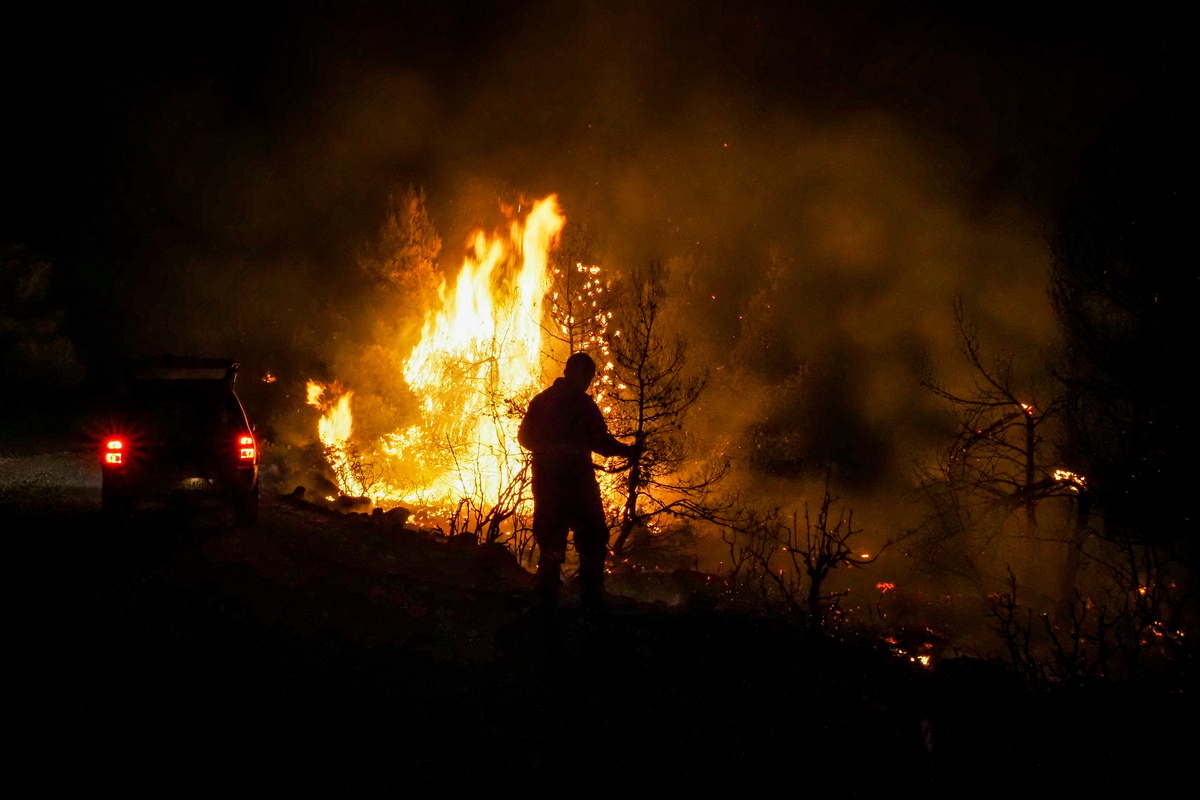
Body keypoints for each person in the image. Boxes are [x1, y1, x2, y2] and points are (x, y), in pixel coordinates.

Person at [518, 352, 638, 612]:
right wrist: (627, 451)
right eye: (586, 376)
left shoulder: (542, 400)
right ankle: (589, 600)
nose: (588, 382)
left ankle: (548, 601)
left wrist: (548, 450)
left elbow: (525, 438)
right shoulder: (583, 405)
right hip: (576, 485)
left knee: (552, 540)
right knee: (592, 536)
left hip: (548, 484)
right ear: (572, 372)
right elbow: (600, 442)